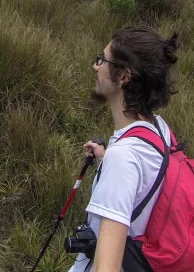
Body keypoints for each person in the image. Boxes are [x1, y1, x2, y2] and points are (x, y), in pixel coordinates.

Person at [70, 27, 182, 272]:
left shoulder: (124, 158)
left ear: (123, 77)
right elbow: (146, 181)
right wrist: (106, 160)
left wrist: (115, 165)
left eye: (103, 60)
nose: (96, 66)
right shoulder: (159, 129)